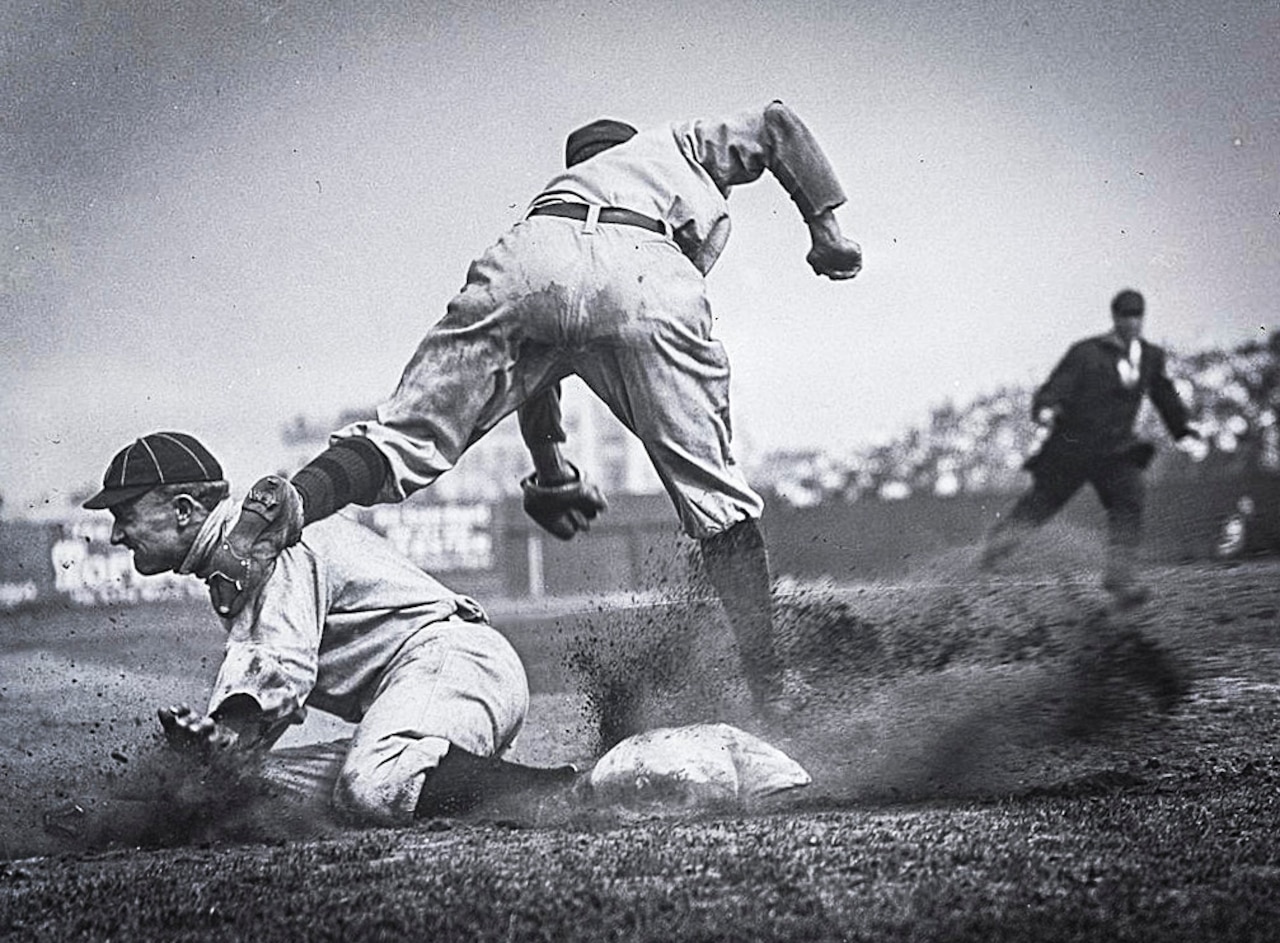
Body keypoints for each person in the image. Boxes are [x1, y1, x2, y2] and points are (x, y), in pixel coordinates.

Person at [206, 101, 864, 720]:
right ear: (627, 147)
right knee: (718, 500)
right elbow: (776, 123)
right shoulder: (674, 147)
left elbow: (533, 375)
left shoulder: (551, 203)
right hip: (646, 266)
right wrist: (826, 226)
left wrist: (552, 472)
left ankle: (293, 497)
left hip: (525, 267)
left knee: (398, 439)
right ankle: (773, 691)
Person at [82, 431, 575, 826]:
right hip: (428, 693)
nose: (116, 532)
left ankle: (568, 794)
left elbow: (281, 671)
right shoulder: (237, 557)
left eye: (125, 514)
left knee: (374, 786)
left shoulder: (269, 542)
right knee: (249, 792)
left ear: (183, 510)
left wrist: (224, 737)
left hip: (453, 663)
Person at [980, 289, 1203, 605]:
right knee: (1038, 507)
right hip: (1072, 449)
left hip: (1115, 452)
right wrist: (1046, 408)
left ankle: (1120, 577)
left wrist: (1183, 431)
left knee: (1129, 499)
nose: (1131, 323)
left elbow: (1163, 394)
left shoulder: (1149, 357)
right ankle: (988, 558)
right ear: (1114, 318)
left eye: (1136, 316)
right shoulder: (1086, 353)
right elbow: (1056, 386)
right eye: (1125, 316)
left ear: (1142, 319)